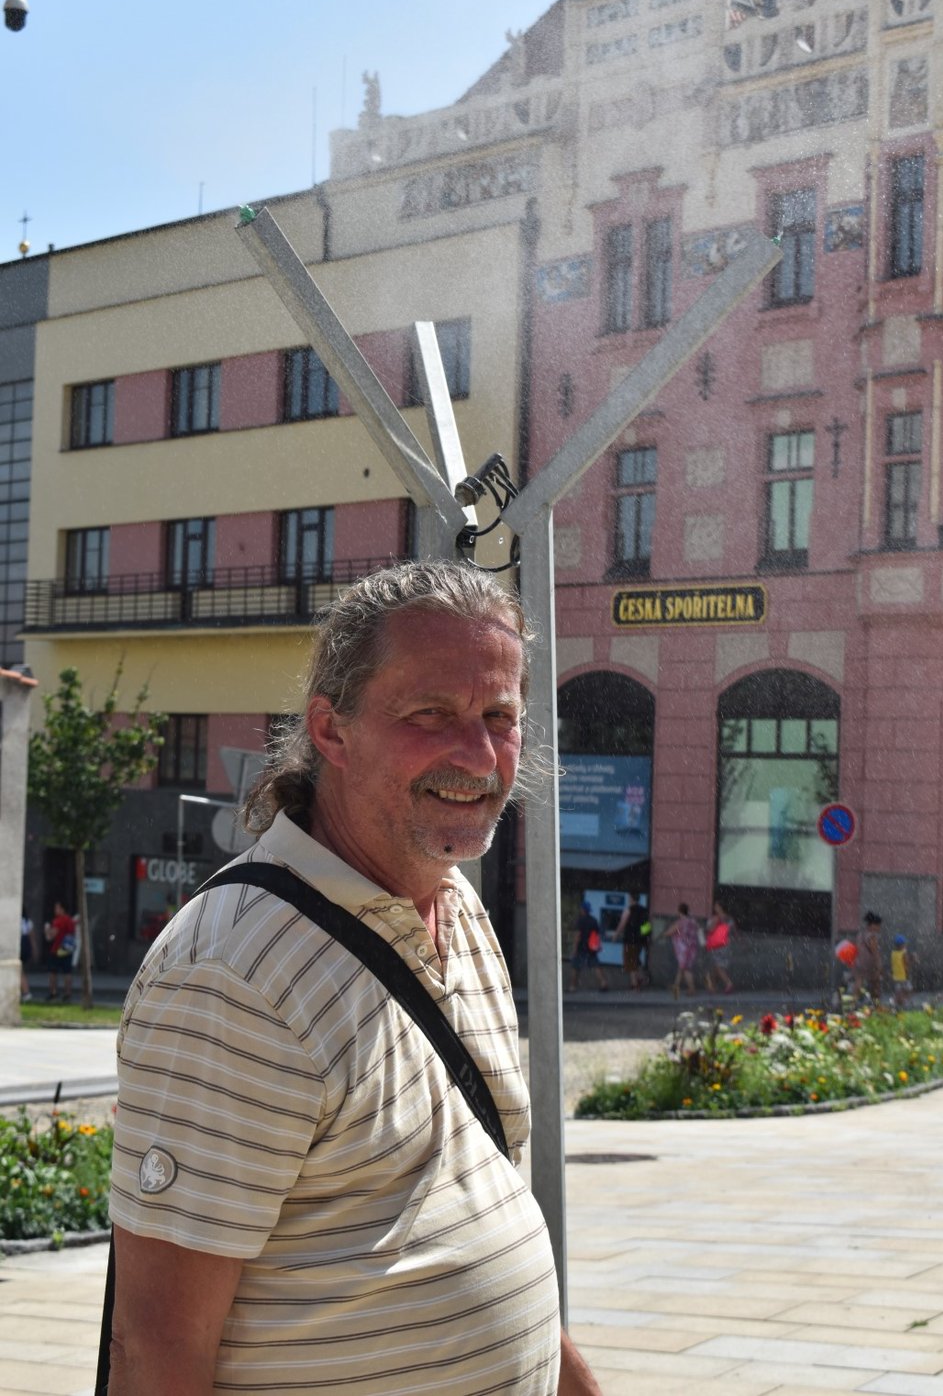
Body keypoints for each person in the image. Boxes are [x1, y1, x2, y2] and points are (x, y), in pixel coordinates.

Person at [107, 561, 601, 1396]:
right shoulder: (230, 977)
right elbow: (156, 1351)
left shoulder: (457, 907)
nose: (479, 754)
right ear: (331, 732)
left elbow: (483, 1205)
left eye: (499, 716)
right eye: (430, 714)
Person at [568, 902, 610, 993]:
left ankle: (572, 987)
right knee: (596, 966)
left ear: (583, 909)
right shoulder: (593, 920)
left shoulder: (580, 920)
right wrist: (599, 946)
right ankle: (603, 983)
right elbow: (597, 935)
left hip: (581, 947)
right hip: (591, 947)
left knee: (575, 967)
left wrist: (574, 949)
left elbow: (577, 936)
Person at [611, 892, 648, 990]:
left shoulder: (628, 910)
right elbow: (647, 926)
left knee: (630, 962)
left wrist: (615, 935)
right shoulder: (644, 910)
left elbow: (622, 924)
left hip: (629, 939)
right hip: (640, 940)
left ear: (631, 898)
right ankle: (640, 978)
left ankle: (635, 984)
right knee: (636, 960)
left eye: (629, 898)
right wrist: (644, 938)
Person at [664, 901, 699, 999]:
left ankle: (692, 989)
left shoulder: (680, 922)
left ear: (679, 911)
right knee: (682, 968)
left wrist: (664, 933)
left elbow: (670, 932)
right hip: (692, 948)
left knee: (686, 968)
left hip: (684, 949)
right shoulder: (693, 921)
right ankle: (676, 986)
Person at [43, 902, 77, 1003]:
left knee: (53, 972)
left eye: (57, 908)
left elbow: (51, 936)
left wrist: (46, 929)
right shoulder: (70, 920)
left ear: (62, 909)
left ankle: (53, 992)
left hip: (57, 949)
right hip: (67, 949)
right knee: (67, 972)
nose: (55, 910)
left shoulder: (58, 921)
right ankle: (68, 993)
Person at [703, 900, 735, 995]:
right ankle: (712, 987)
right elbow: (734, 931)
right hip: (726, 944)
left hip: (716, 945)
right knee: (716, 966)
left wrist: (705, 930)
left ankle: (728, 983)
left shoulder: (716, 918)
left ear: (720, 907)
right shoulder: (729, 918)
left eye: (716, 906)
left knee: (717, 966)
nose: (714, 907)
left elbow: (710, 930)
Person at [852, 910, 883, 1004]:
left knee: (859, 981)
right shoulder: (872, 936)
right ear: (872, 925)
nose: (879, 928)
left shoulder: (860, 934)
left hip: (858, 961)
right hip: (868, 963)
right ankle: (876, 1003)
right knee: (876, 982)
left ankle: (854, 1001)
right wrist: (879, 964)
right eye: (878, 925)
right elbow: (875, 951)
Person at [890, 933, 913, 1008]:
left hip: (896, 976)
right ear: (902, 945)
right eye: (904, 944)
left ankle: (896, 1001)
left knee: (898, 990)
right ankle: (906, 1002)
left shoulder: (893, 953)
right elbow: (907, 964)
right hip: (904, 975)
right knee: (908, 989)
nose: (905, 946)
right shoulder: (904, 953)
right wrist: (913, 960)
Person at [20, 913, 36, 1002]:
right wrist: (34, 949)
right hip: (25, 948)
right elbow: (32, 937)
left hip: (20, 947)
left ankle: (26, 992)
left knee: (20, 971)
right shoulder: (27, 921)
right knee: (21, 971)